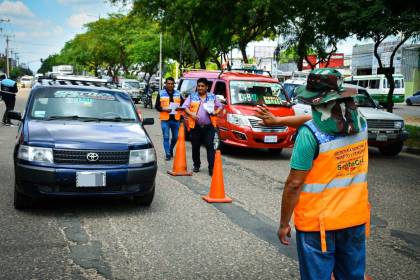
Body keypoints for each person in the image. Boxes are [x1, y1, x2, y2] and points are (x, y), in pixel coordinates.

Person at [256, 68, 370, 280]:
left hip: (319, 225)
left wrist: (283, 223)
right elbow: (314, 119)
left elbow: (294, 184)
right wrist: (278, 121)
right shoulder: (360, 123)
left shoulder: (309, 136)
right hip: (354, 220)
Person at [182, 78, 223, 176]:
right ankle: (196, 164)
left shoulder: (212, 97)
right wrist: (191, 114)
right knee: (195, 147)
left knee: (210, 147)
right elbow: (185, 107)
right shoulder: (192, 96)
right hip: (195, 127)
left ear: (207, 87)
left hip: (209, 127)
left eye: (202, 86)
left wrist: (215, 112)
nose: (200, 88)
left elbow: (220, 106)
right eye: (198, 86)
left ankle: (211, 168)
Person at [155, 77, 185, 160]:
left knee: (175, 137)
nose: (170, 85)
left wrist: (180, 108)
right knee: (166, 137)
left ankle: (171, 149)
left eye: (172, 84)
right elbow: (157, 106)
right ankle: (168, 154)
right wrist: (164, 109)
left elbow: (184, 104)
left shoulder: (178, 93)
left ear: (174, 84)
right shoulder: (161, 93)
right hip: (165, 119)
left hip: (176, 119)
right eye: (169, 83)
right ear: (166, 84)